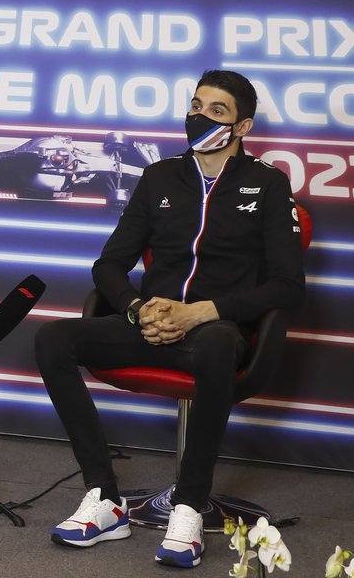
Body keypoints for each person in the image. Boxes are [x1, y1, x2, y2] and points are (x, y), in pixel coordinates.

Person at [34, 70, 305, 568]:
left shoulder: (268, 183)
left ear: (242, 127)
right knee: (52, 339)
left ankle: (188, 505)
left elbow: (289, 284)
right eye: (196, 105)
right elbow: (109, 264)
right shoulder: (160, 176)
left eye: (216, 111)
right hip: (148, 325)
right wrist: (137, 309)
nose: (199, 116)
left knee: (218, 343)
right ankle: (104, 496)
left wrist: (203, 311)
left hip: (214, 332)